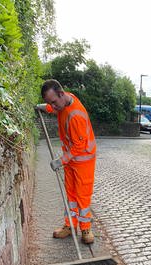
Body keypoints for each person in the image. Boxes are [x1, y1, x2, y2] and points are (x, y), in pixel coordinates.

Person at [36, 79, 96, 244]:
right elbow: (55, 108)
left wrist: (60, 161)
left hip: (84, 160)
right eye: (50, 103)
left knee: (82, 196)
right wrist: (44, 107)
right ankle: (69, 226)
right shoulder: (63, 102)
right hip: (71, 160)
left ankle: (85, 229)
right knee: (70, 195)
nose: (53, 106)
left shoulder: (76, 115)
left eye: (53, 102)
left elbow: (79, 146)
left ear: (61, 94)